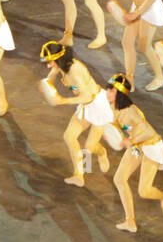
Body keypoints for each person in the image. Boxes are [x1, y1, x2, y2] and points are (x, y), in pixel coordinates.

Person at [104, 71, 163, 232]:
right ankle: (130, 221)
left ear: (120, 94)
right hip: (137, 145)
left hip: (150, 146)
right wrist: (113, 136)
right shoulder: (112, 106)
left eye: (111, 90)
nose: (107, 93)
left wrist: (130, 140)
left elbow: (148, 132)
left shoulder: (130, 111)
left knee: (144, 191)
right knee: (120, 179)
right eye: (108, 89)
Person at [38, 41, 112, 188]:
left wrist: (62, 101)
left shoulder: (75, 71)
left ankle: (102, 152)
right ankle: (79, 175)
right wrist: (46, 85)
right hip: (85, 106)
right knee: (69, 136)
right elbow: (51, 76)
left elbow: (87, 97)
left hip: (98, 106)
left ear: (58, 59)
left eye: (50, 62)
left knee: (89, 147)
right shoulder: (61, 66)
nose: (48, 65)